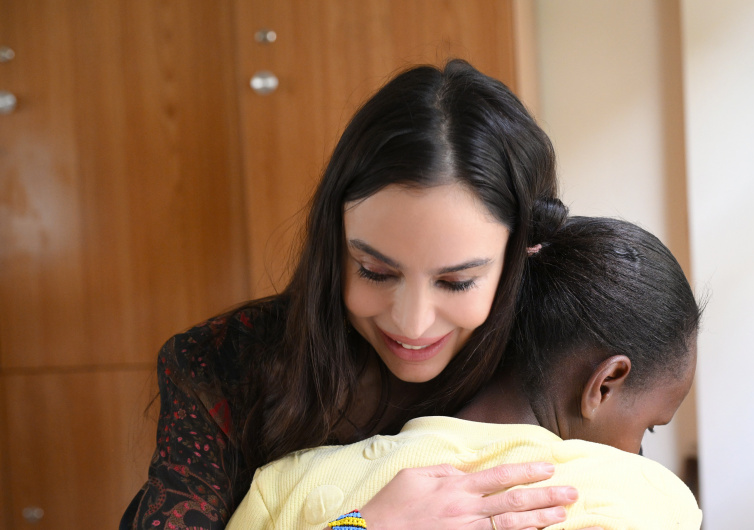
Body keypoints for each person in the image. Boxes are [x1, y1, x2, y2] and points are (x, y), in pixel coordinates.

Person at [121, 60, 580, 530]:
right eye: (375, 272)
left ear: (522, 254)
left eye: (456, 282)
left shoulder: (565, 362)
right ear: (334, 242)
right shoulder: (223, 367)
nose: (412, 324)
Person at [226, 212, 704, 530]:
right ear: (604, 383)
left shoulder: (285, 485)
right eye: (649, 428)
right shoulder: (652, 500)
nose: (639, 453)